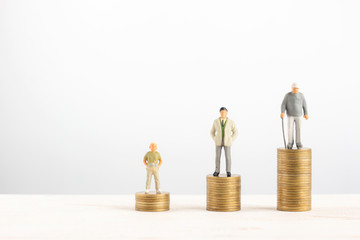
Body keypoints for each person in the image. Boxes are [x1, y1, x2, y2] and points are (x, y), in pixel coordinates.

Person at [210, 107, 238, 177]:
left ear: (227, 112)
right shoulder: (216, 121)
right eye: (222, 112)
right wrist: (215, 138)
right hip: (218, 141)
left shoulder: (231, 122)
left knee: (228, 157)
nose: (223, 114)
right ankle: (217, 170)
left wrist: (231, 139)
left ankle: (228, 170)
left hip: (227, 141)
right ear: (220, 113)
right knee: (217, 157)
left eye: (224, 112)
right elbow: (212, 132)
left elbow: (235, 132)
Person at [281, 83, 309, 149]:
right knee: (290, 129)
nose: (295, 90)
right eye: (294, 88)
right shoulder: (287, 95)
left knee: (299, 129)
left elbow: (304, 105)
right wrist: (282, 112)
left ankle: (298, 142)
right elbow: (283, 104)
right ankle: (290, 142)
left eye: (296, 88)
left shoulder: (301, 95)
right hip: (290, 115)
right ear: (292, 88)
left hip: (299, 115)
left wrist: (306, 113)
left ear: (298, 89)